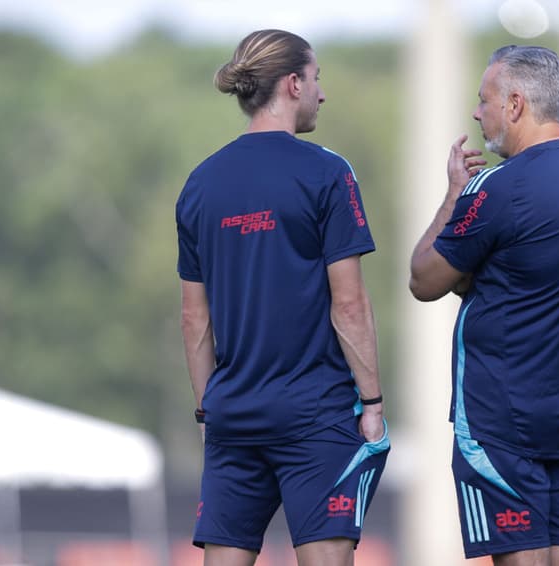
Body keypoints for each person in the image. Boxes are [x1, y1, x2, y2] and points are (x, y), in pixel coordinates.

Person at [176, 29, 389, 566]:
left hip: (233, 418)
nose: (323, 93)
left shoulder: (200, 184)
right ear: (293, 83)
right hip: (315, 416)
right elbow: (350, 305)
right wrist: (372, 404)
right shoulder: (328, 173)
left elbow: (193, 318)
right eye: (317, 79)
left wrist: (210, 411)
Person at [409, 45, 559, 566]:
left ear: (516, 104)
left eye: (484, 101)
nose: (477, 113)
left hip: (502, 421)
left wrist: (454, 194)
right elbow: (526, 279)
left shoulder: (497, 188)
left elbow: (424, 278)